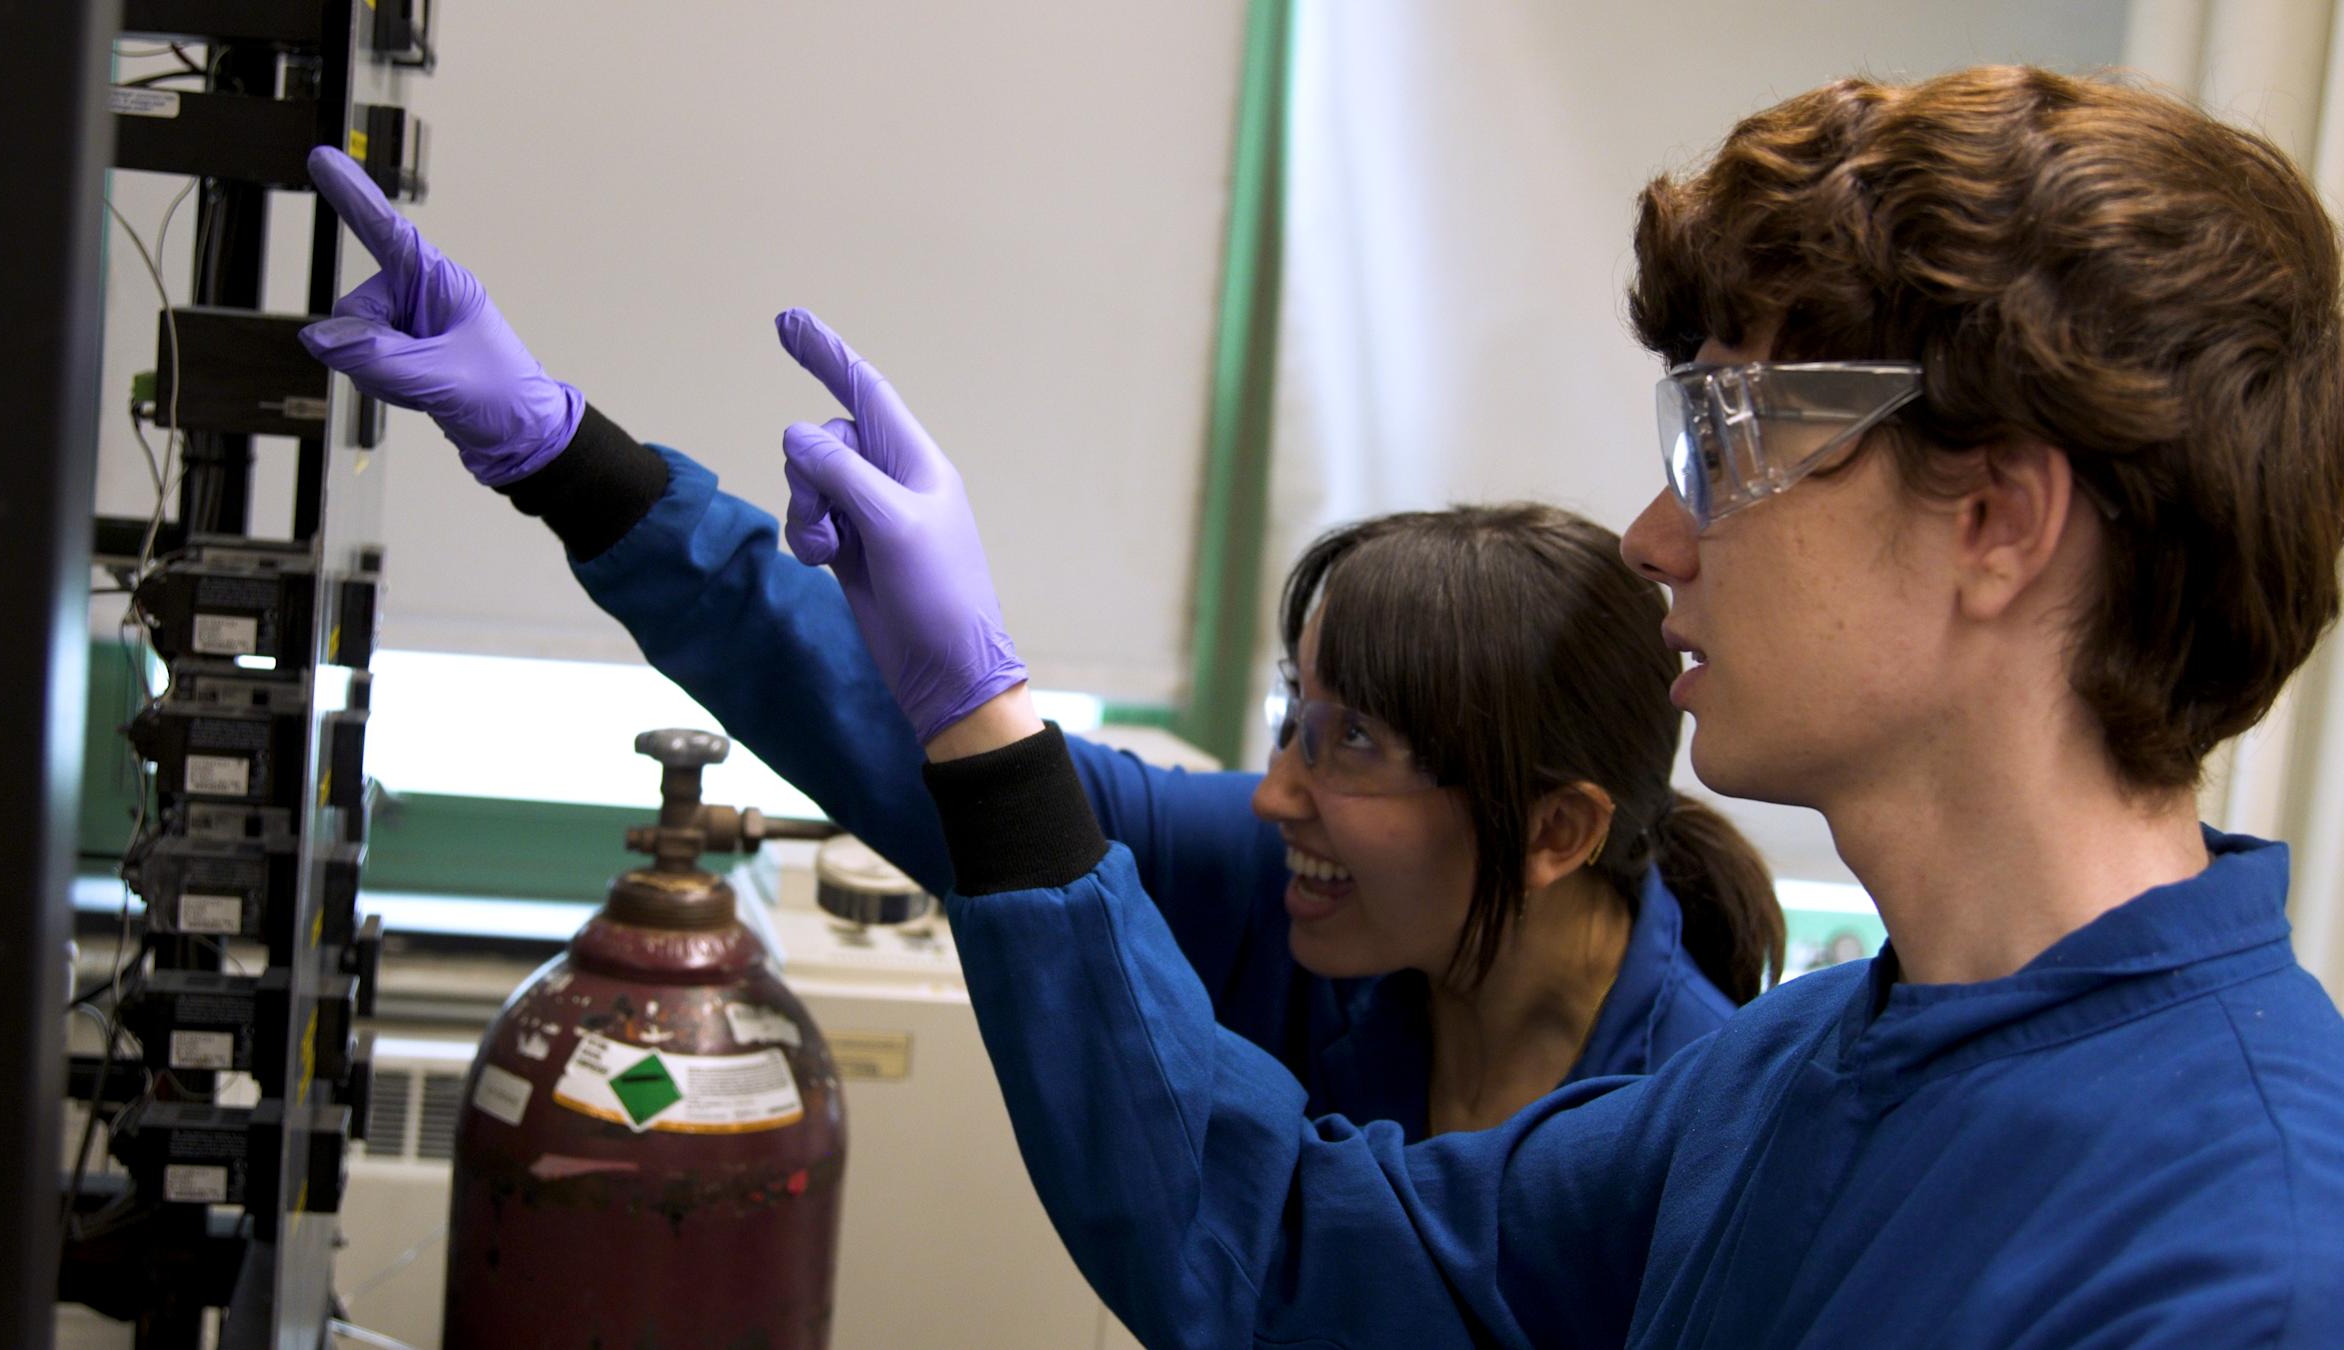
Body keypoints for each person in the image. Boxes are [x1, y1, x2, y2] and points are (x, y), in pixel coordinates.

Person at [748, 65, 2344, 1345]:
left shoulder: (2240, 1264)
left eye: (1728, 440)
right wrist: (976, 717)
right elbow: (1300, 1258)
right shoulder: (1801, 1070)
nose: (1655, 540)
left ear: (1996, 523)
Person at [292, 161, 1783, 1140]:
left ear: (1556, 830)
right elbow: (922, 749)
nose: (1276, 795)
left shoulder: (1702, 1135)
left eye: (1354, 745)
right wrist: (560, 451)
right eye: (1293, 719)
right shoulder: (1303, 893)